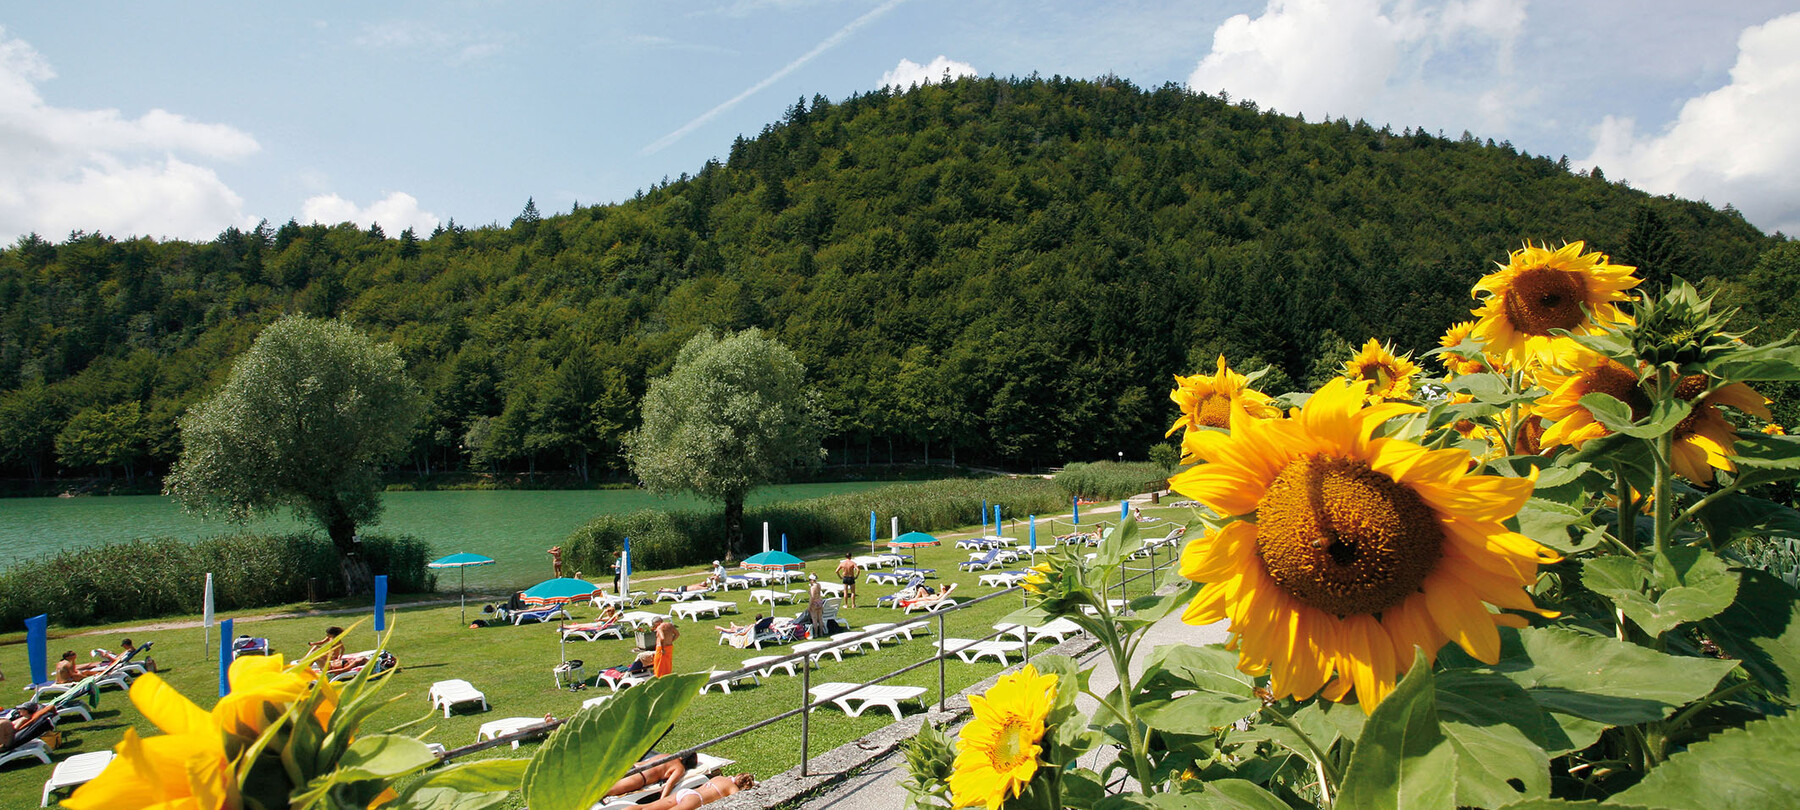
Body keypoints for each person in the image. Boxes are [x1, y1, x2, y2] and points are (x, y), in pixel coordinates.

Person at [636, 773, 755, 810]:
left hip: (685, 792)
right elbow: (740, 801)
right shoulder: (732, 788)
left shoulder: (720, 777)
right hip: (696, 798)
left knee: (646, 807)